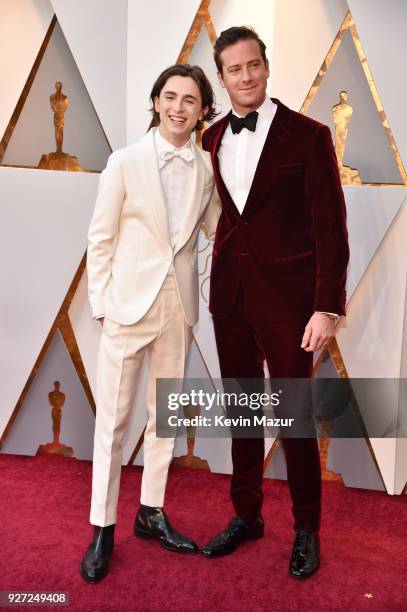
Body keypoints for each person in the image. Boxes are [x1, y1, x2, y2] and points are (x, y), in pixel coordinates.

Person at [200, 27, 349, 579]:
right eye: (234, 69)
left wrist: (325, 307)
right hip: (230, 298)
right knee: (243, 412)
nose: (246, 76)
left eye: (253, 65)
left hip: (290, 303)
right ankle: (246, 515)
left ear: (266, 65)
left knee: (294, 417)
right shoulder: (211, 138)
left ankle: (307, 529)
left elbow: (331, 229)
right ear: (222, 77)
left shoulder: (308, 136)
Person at [80, 64, 220, 583]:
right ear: (156, 102)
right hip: (125, 306)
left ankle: (151, 511)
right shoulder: (124, 161)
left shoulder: (206, 168)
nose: (179, 107)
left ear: (204, 109)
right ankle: (102, 527)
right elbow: (101, 237)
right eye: (170, 96)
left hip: (177, 310)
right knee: (112, 424)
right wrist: (101, 302)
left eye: (190, 99)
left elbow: (219, 227)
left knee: (165, 417)